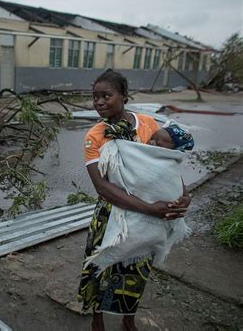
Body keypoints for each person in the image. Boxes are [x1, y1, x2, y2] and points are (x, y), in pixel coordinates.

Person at [77, 69, 192, 331]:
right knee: (102, 267)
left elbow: (167, 167)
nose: (99, 102)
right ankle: (98, 318)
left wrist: (183, 196)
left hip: (146, 215)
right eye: (94, 97)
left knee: (136, 270)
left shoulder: (148, 125)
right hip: (112, 214)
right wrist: (150, 209)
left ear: (124, 96)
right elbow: (102, 187)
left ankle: (128, 320)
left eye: (106, 95)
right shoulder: (95, 136)